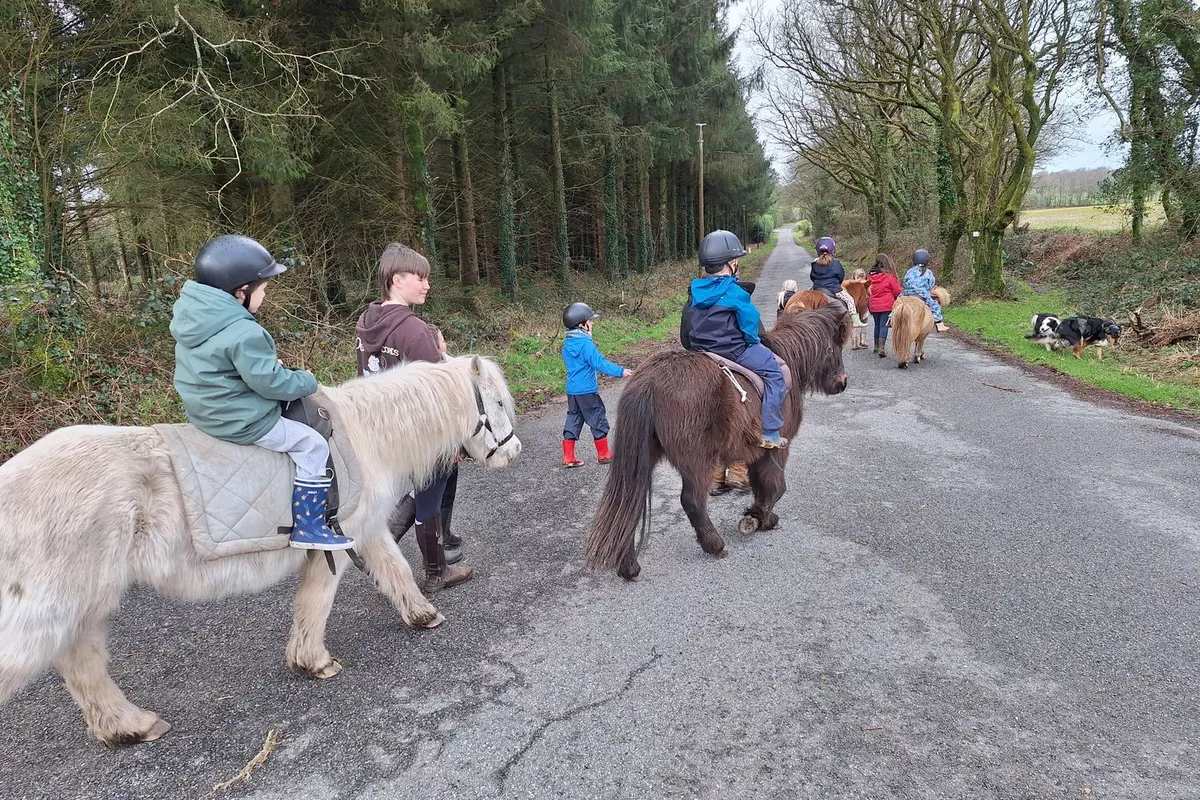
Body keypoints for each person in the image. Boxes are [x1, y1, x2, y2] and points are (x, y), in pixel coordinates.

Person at [171, 234, 353, 552]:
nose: (266, 294)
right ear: (241, 291)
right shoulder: (244, 331)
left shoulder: (197, 319)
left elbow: (219, 366)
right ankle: (310, 527)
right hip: (240, 419)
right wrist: (306, 380)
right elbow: (270, 384)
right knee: (311, 445)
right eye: (264, 288)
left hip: (205, 410)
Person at [355, 242, 471, 594]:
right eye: (420, 278)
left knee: (426, 486)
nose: (426, 285)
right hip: (420, 432)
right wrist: (453, 437)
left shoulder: (366, 322)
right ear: (396, 279)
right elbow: (440, 393)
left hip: (381, 427)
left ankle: (392, 545)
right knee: (429, 493)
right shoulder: (414, 330)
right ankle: (437, 573)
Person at [682, 229, 788, 449]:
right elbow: (750, 325)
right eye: (736, 260)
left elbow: (687, 327)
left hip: (702, 351)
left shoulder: (694, 291)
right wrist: (753, 342)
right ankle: (770, 431)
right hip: (735, 351)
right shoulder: (735, 292)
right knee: (775, 374)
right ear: (730, 264)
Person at [560, 302, 631, 468]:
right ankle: (604, 454)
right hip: (587, 390)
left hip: (572, 391)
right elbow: (599, 363)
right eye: (589, 321)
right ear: (582, 325)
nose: (591, 324)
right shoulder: (585, 344)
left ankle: (568, 457)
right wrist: (620, 371)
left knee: (574, 418)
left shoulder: (567, 344)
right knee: (597, 417)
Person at [809, 237, 859, 323]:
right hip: (834, 289)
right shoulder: (835, 262)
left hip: (817, 289)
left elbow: (812, 276)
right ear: (832, 250)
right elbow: (841, 276)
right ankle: (855, 321)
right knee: (850, 300)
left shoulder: (815, 263)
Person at [902, 249, 948, 332]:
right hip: (922, 294)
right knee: (935, 306)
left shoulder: (909, 271)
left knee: (897, 303)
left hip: (908, 293)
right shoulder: (928, 272)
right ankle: (939, 323)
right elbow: (931, 284)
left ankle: (890, 317)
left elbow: (904, 282)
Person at [867, 254, 903, 357]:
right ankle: (882, 348)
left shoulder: (870, 275)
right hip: (887, 305)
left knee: (877, 324)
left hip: (873, 304)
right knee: (884, 325)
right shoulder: (889, 276)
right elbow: (897, 290)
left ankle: (876, 346)